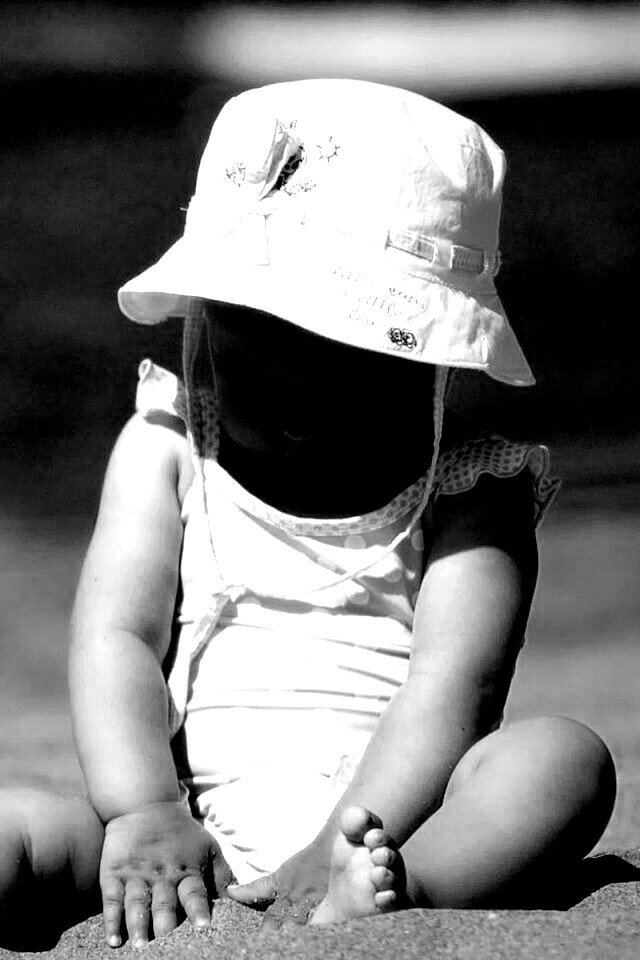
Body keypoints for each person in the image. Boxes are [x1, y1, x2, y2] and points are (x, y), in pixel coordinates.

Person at [0, 79, 616, 950]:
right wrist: (141, 810)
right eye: (260, 341)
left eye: (345, 360)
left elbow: (456, 689)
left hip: (390, 828)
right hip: (184, 835)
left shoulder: (473, 490)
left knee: (562, 760)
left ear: (431, 357)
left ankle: (406, 893)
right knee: (12, 824)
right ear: (206, 316)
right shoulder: (167, 446)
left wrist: (342, 843)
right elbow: (117, 637)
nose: (296, 387)